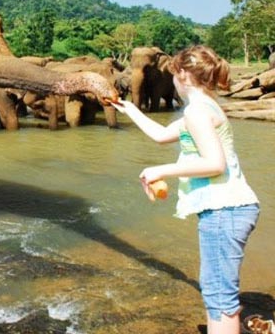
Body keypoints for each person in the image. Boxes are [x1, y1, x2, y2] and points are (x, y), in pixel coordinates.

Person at [111, 45, 260, 334]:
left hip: (225, 210)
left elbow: (215, 164)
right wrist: (131, 110)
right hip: (230, 209)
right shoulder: (205, 107)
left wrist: (160, 170)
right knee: (217, 289)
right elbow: (161, 135)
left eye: (173, 75)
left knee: (219, 297)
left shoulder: (196, 112)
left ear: (182, 76)